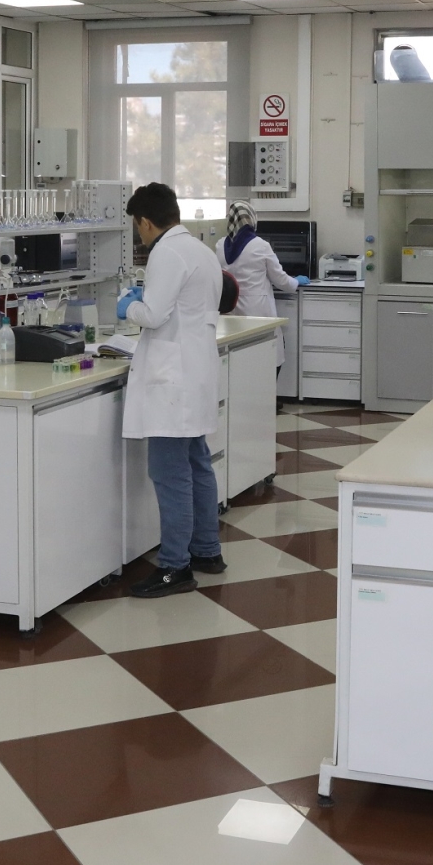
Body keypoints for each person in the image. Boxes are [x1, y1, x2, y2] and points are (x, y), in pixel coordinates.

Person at [118, 182, 224, 597]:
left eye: (137, 226)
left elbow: (154, 315)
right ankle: (207, 551)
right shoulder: (200, 249)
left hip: (172, 382)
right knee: (197, 463)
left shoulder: (165, 253)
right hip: (194, 371)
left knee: (169, 473)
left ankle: (175, 566)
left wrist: (128, 305)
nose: (139, 234)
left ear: (146, 222)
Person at [220, 200, 307, 370]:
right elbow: (281, 280)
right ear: (251, 218)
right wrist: (296, 281)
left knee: (240, 358)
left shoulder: (220, 246)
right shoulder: (260, 245)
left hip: (232, 311)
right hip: (258, 310)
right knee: (268, 355)